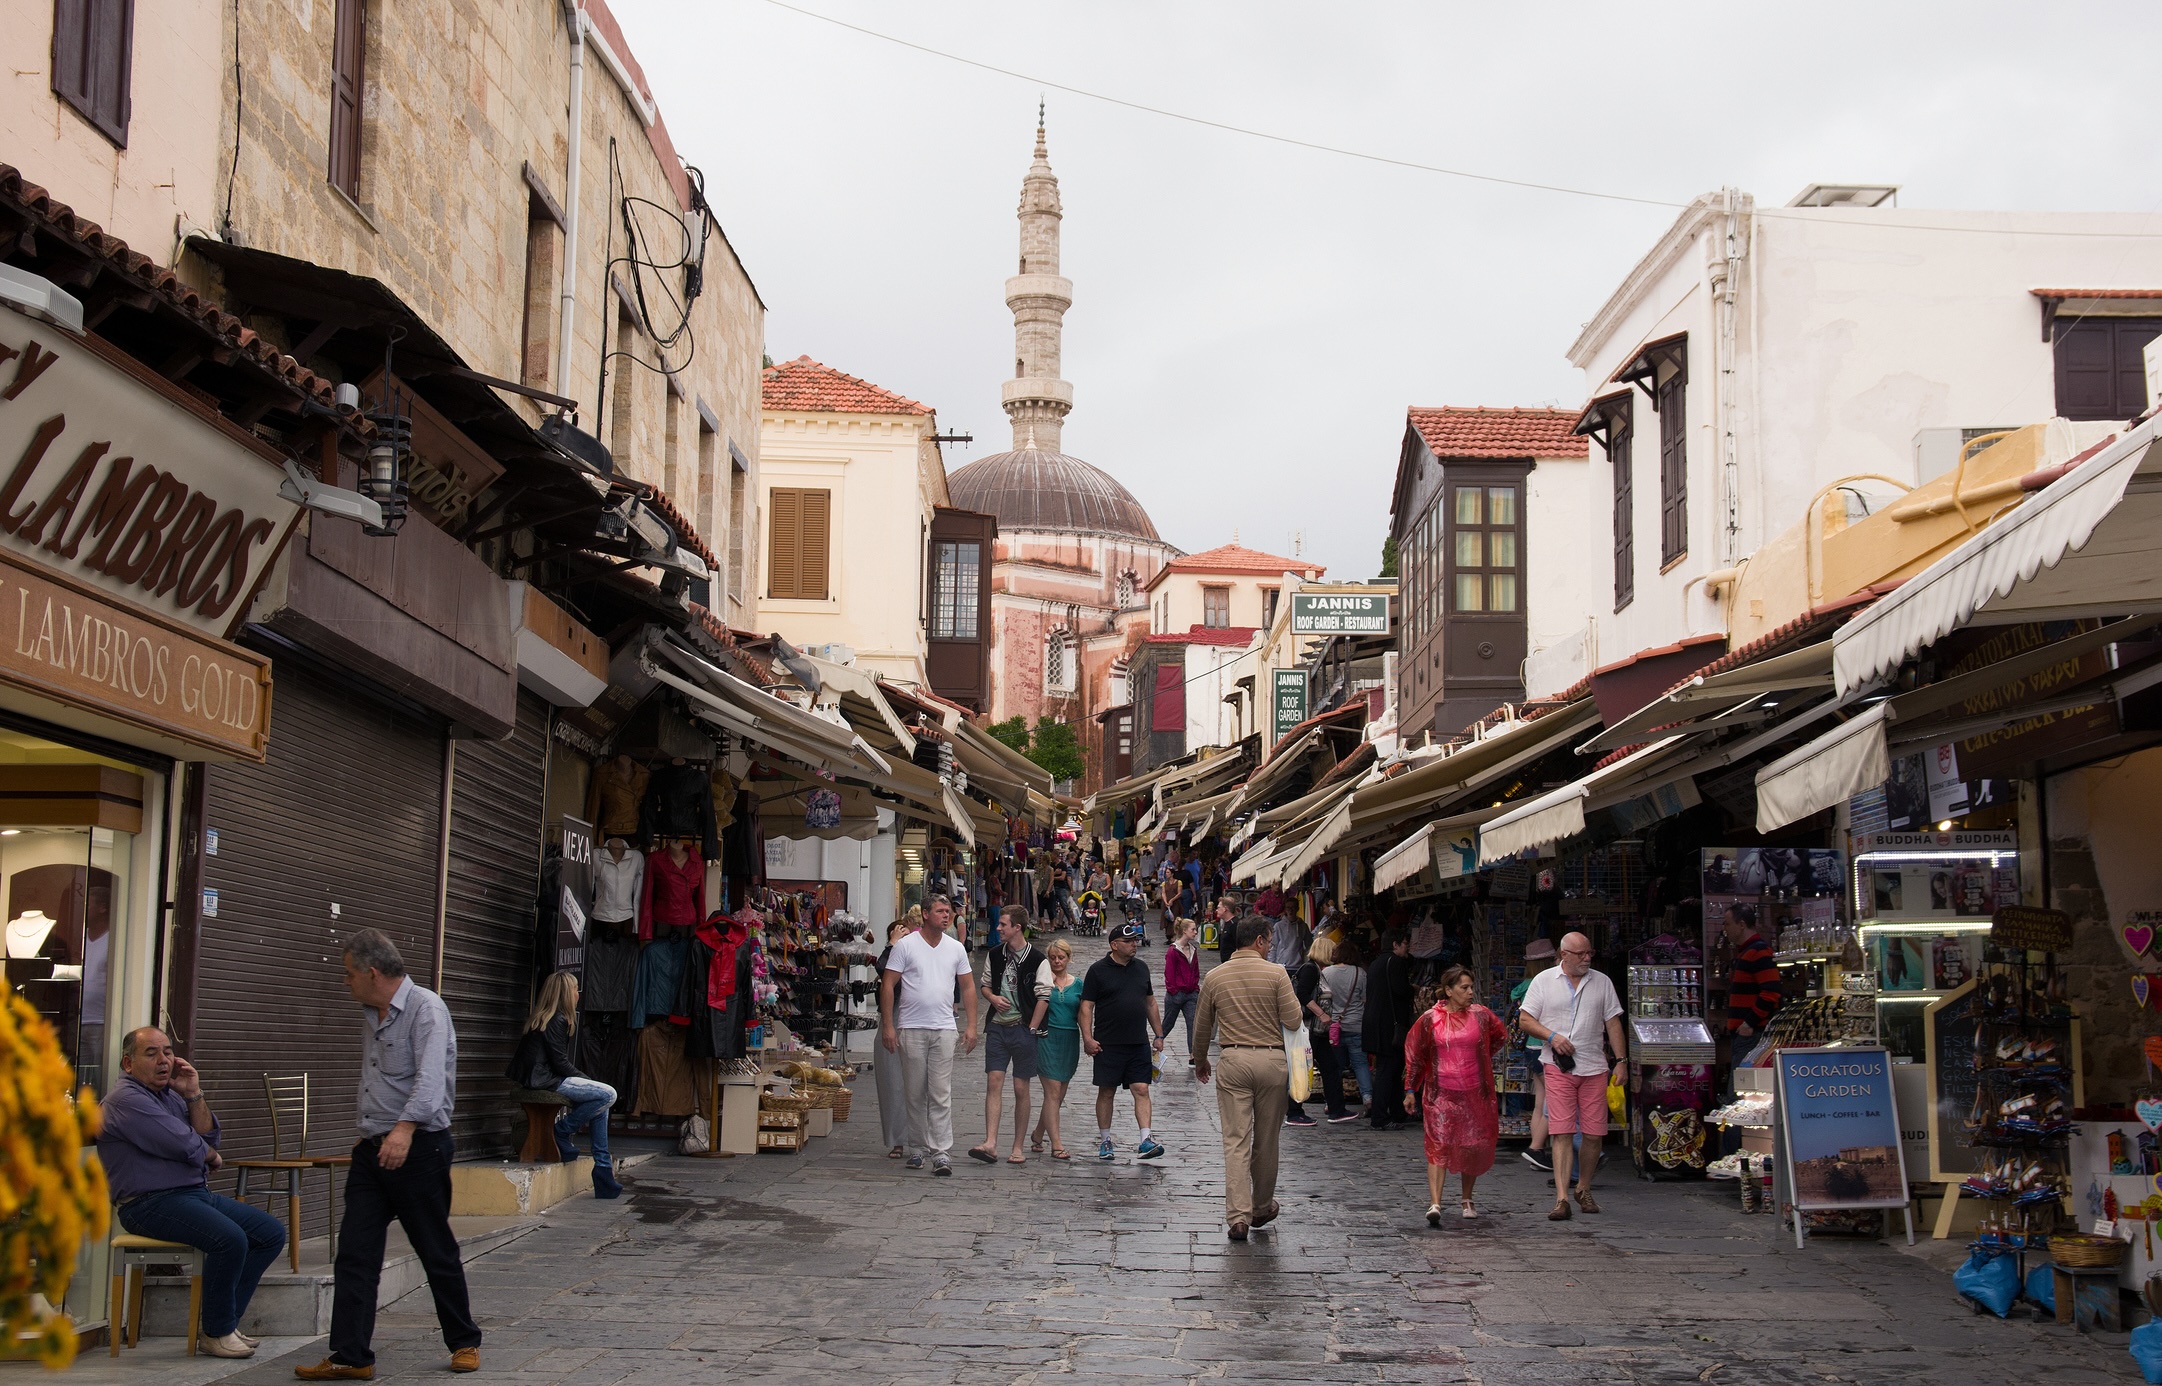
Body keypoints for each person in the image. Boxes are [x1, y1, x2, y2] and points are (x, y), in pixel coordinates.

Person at [296, 929, 481, 1380]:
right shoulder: (372, 1011)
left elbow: (430, 1082)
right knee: (355, 1253)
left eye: (348, 974)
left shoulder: (426, 1010)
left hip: (417, 1146)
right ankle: (351, 1355)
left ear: (372, 973)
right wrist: (372, 1134)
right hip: (373, 1150)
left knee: (434, 1247)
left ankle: (464, 1342)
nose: (345, 982)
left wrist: (402, 1129)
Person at [98, 1027, 285, 1360]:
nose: (163, 1060)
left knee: (269, 1233)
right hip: (147, 1203)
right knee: (229, 1238)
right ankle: (216, 1332)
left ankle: (224, 1323)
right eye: (151, 1053)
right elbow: (183, 1143)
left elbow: (207, 1136)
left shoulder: (170, 1095)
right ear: (128, 1063)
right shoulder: (125, 1099)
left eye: (168, 1051)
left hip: (191, 1195)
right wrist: (209, 1155)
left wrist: (194, 1094)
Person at [1191, 914, 1303, 1241]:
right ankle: (1262, 1206)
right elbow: (1294, 1020)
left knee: (1236, 1140)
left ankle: (1238, 1217)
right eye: (1269, 942)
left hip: (1233, 1059)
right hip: (1271, 1060)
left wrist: (1200, 1060)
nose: (1270, 948)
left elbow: (1202, 1027)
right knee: (1267, 1140)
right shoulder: (1277, 974)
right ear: (1259, 941)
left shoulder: (1215, 976)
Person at [1515, 930, 1626, 1222]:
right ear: (1564, 955)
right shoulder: (1543, 981)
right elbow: (1525, 1020)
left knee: (1593, 1134)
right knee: (1562, 1131)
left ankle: (1583, 1188)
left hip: (1594, 1067)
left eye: (1590, 953)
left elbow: (1613, 1023)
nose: (1587, 958)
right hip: (1557, 1066)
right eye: (1581, 954)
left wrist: (1622, 1061)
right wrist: (1551, 1036)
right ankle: (1562, 1197)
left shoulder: (1601, 982)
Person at [880, 895, 980, 1176]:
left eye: (948, 911)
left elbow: (968, 987)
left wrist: (971, 1026)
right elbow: (888, 985)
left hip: (944, 1027)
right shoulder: (906, 946)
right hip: (911, 1026)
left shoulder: (955, 948)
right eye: (940, 911)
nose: (946, 916)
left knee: (940, 1091)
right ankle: (916, 1147)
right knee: (914, 1091)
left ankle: (941, 1151)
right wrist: (889, 1025)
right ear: (925, 914)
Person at [1406, 965, 1508, 1225]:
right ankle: (1435, 1202)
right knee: (1438, 1143)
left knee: (1471, 1145)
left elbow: (1499, 1036)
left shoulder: (1481, 1016)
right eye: (1464, 988)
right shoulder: (1431, 1019)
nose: (1470, 992)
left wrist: (1481, 1057)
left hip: (1475, 1091)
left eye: (1471, 987)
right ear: (1449, 991)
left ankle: (1467, 1197)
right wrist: (1410, 1089)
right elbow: (1416, 1054)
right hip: (1441, 1093)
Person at [506, 971, 621, 1198]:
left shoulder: (545, 1018)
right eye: (574, 989)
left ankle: (603, 1171)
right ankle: (563, 1132)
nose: (577, 994)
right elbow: (560, 1064)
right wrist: (588, 1080)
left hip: (542, 1078)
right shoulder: (556, 1020)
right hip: (546, 1081)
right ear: (564, 994)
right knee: (608, 1095)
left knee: (600, 1104)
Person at [1080, 921, 1167, 1161]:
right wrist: (1087, 1038)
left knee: (1141, 1088)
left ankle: (1146, 1140)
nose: (1134, 945)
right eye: (1128, 942)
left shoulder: (1141, 968)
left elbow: (1150, 1001)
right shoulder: (1098, 970)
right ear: (1114, 945)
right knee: (1107, 1092)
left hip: (1137, 1042)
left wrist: (1158, 1035)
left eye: (1135, 941)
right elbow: (1086, 1006)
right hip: (1108, 1043)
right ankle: (1106, 1140)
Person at [970, 908, 1044, 1165]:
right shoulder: (994, 954)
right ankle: (990, 1142)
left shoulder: (1037, 959)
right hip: (998, 1028)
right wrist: (992, 997)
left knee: (1021, 1087)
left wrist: (1031, 1028)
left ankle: (1017, 1146)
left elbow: (1044, 997)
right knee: (994, 1081)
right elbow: (985, 984)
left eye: (1003, 925)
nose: (998, 928)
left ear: (1017, 927)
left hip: (1023, 1028)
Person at [1028, 937, 1084, 1159]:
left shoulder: (1078, 984)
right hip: (1047, 1036)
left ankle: (1038, 1133)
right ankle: (1057, 1144)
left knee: (1059, 1094)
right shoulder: (1042, 982)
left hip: (1069, 1039)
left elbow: (1083, 1013)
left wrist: (1089, 1037)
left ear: (1069, 958)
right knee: (1051, 1091)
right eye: (1052, 958)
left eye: (1061, 957)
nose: (1057, 961)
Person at [1289, 936, 1355, 1124]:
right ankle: (1294, 1111)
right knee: (1303, 1066)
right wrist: (1321, 1014)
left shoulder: (1318, 971)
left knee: (1331, 1067)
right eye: (1332, 951)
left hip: (1318, 1031)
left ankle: (1337, 1109)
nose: (1335, 955)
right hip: (1309, 1029)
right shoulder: (1310, 970)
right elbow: (1301, 994)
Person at [1511, 938, 1559, 1173]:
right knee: (1555, 1099)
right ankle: (1536, 1147)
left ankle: (1535, 1150)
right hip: (1543, 1046)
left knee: (1541, 1099)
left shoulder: (1524, 985)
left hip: (1530, 1048)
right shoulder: (1543, 984)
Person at [1364, 931, 1416, 1129]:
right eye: (1404, 943)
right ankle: (1379, 1117)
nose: (1407, 947)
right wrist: (1414, 989)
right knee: (1388, 1071)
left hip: (1376, 1025)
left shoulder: (1377, 963)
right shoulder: (1394, 963)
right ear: (1395, 944)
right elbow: (1401, 990)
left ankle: (1397, 1112)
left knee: (1392, 1070)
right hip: (1389, 1027)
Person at [874, 919, 916, 1158]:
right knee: (891, 1081)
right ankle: (897, 1140)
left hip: (917, 1016)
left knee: (922, 1083)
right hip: (893, 1015)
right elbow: (883, 969)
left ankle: (921, 1137)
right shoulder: (890, 954)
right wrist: (892, 945)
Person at [1320, 937, 1373, 1116]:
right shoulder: (1361, 973)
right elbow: (1365, 1000)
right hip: (1356, 1024)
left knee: (1335, 1066)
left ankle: (1331, 1101)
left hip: (1332, 1025)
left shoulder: (1326, 973)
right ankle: (1368, 1098)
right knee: (1360, 1063)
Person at [1722, 904, 1781, 1045]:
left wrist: (1749, 1023)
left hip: (1753, 1035)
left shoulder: (1759, 952)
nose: (1725, 929)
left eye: (1727, 924)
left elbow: (1771, 992)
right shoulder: (1746, 952)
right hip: (1745, 1033)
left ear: (1741, 924)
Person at [1162, 917, 1202, 1052]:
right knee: (1168, 1024)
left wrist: (1195, 988)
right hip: (1176, 994)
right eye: (1193, 929)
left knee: (1192, 1024)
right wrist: (1173, 990)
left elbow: (1196, 971)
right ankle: (1156, 1045)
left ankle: (1193, 1055)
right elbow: (1169, 973)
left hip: (1191, 994)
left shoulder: (1193, 950)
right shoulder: (1173, 951)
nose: (1195, 932)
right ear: (1184, 931)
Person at [1212, 897, 1240, 966]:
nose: (1216, 910)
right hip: (1226, 963)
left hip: (1233, 964)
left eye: (1218, 908)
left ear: (1225, 909)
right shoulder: (1227, 923)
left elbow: (1240, 945)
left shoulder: (1235, 924)